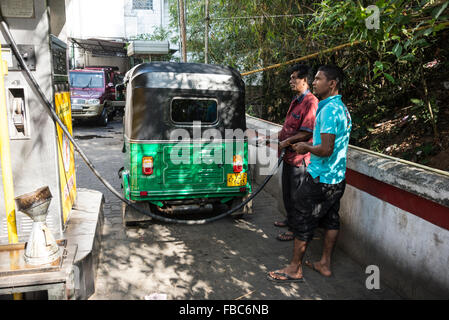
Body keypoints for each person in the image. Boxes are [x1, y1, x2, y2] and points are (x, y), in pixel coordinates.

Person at [267, 64, 352, 282]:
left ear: (331, 84)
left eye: (318, 79)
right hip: (337, 178)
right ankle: (325, 263)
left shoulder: (329, 111)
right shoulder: (341, 108)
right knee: (332, 219)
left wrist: (306, 148)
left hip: (320, 177)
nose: (314, 83)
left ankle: (294, 268)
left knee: (303, 219)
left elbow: (325, 149)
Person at [263, 64, 318, 241]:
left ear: (305, 80)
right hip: (288, 156)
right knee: (287, 193)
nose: (291, 81)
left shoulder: (311, 103)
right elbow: (287, 129)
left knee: (297, 197)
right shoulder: (296, 101)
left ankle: (296, 230)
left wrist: (285, 142)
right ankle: (290, 220)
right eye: (291, 78)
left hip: (300, 158)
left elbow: (307, 132)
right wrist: (270, 138)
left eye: (294, 78)